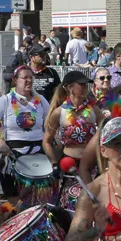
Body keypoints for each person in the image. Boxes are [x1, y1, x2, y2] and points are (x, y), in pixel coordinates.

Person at [0, 66, 51, 196]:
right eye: (24, 77)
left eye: (31, 77)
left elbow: (50, 124)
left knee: (40, 195)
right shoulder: (5, 100)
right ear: (15, 80)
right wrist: (0, 142)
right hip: (13, 152)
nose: (29, 81)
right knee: (12, 194)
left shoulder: (41, 100)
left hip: (38, 153)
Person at [43, 71, 99, 201]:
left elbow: (105, 130)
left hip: (91, 165)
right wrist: (54, 163)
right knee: (70, 202)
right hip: (69, 166)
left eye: (86, 84)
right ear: (70, 87)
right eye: (81, 84)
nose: (85, 87)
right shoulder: (59, 112)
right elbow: (46, 141)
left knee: (92, 201)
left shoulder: (94, 109)